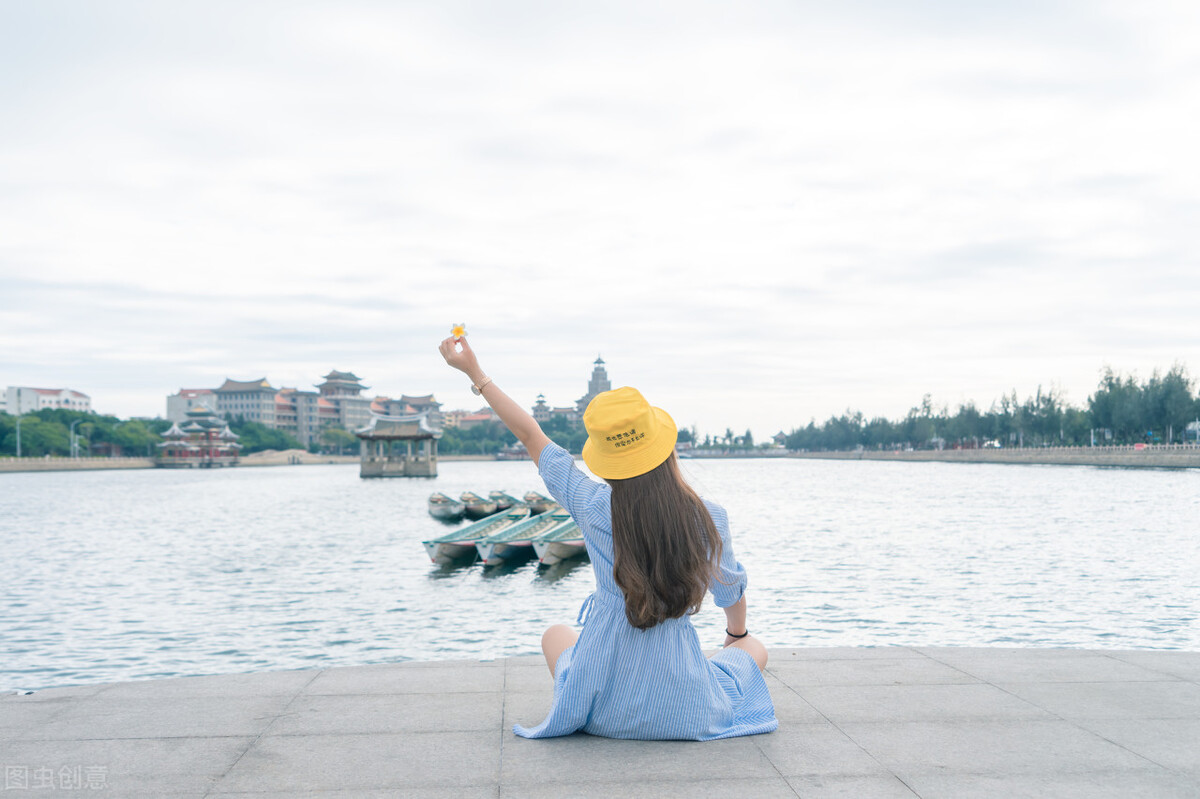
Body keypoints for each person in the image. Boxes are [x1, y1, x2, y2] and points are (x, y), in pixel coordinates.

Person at [439, 335, 777, 740]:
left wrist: (475, 373)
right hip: (687, 709)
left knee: (556, 636)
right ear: (666, 449)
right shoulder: (709, 518)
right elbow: (730, 590)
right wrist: (735, 633)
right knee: (751, 650)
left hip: (600, 709)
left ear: (607, 461)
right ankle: (727, 652)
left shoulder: (592, 504)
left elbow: (530, 435)